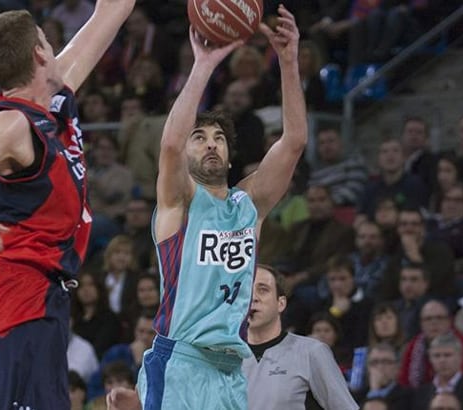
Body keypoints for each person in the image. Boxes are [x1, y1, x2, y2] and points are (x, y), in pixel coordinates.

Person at [0, 2, 136, 408]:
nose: (55, 48)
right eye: (47, 40)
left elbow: (113, 9)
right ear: (40, 53)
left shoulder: (53, 100)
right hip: (10, 293)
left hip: (45, 294)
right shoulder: (8, 124)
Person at [136, 6, 307, 409]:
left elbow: (295, 141)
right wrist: (204, 65)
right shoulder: (178, 202)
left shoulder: (249, 205)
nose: (210, 143)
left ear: (230, 157)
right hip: (179, 362)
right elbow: (171, 145)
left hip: (230, 371)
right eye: (201, 137)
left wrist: (287, 60)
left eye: (219, 138)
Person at [243, 265, 358, 410]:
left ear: (281, 303)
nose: (253, 298)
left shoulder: (311, 352)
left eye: (263, 290)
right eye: (246, 291)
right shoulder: (225, 357)